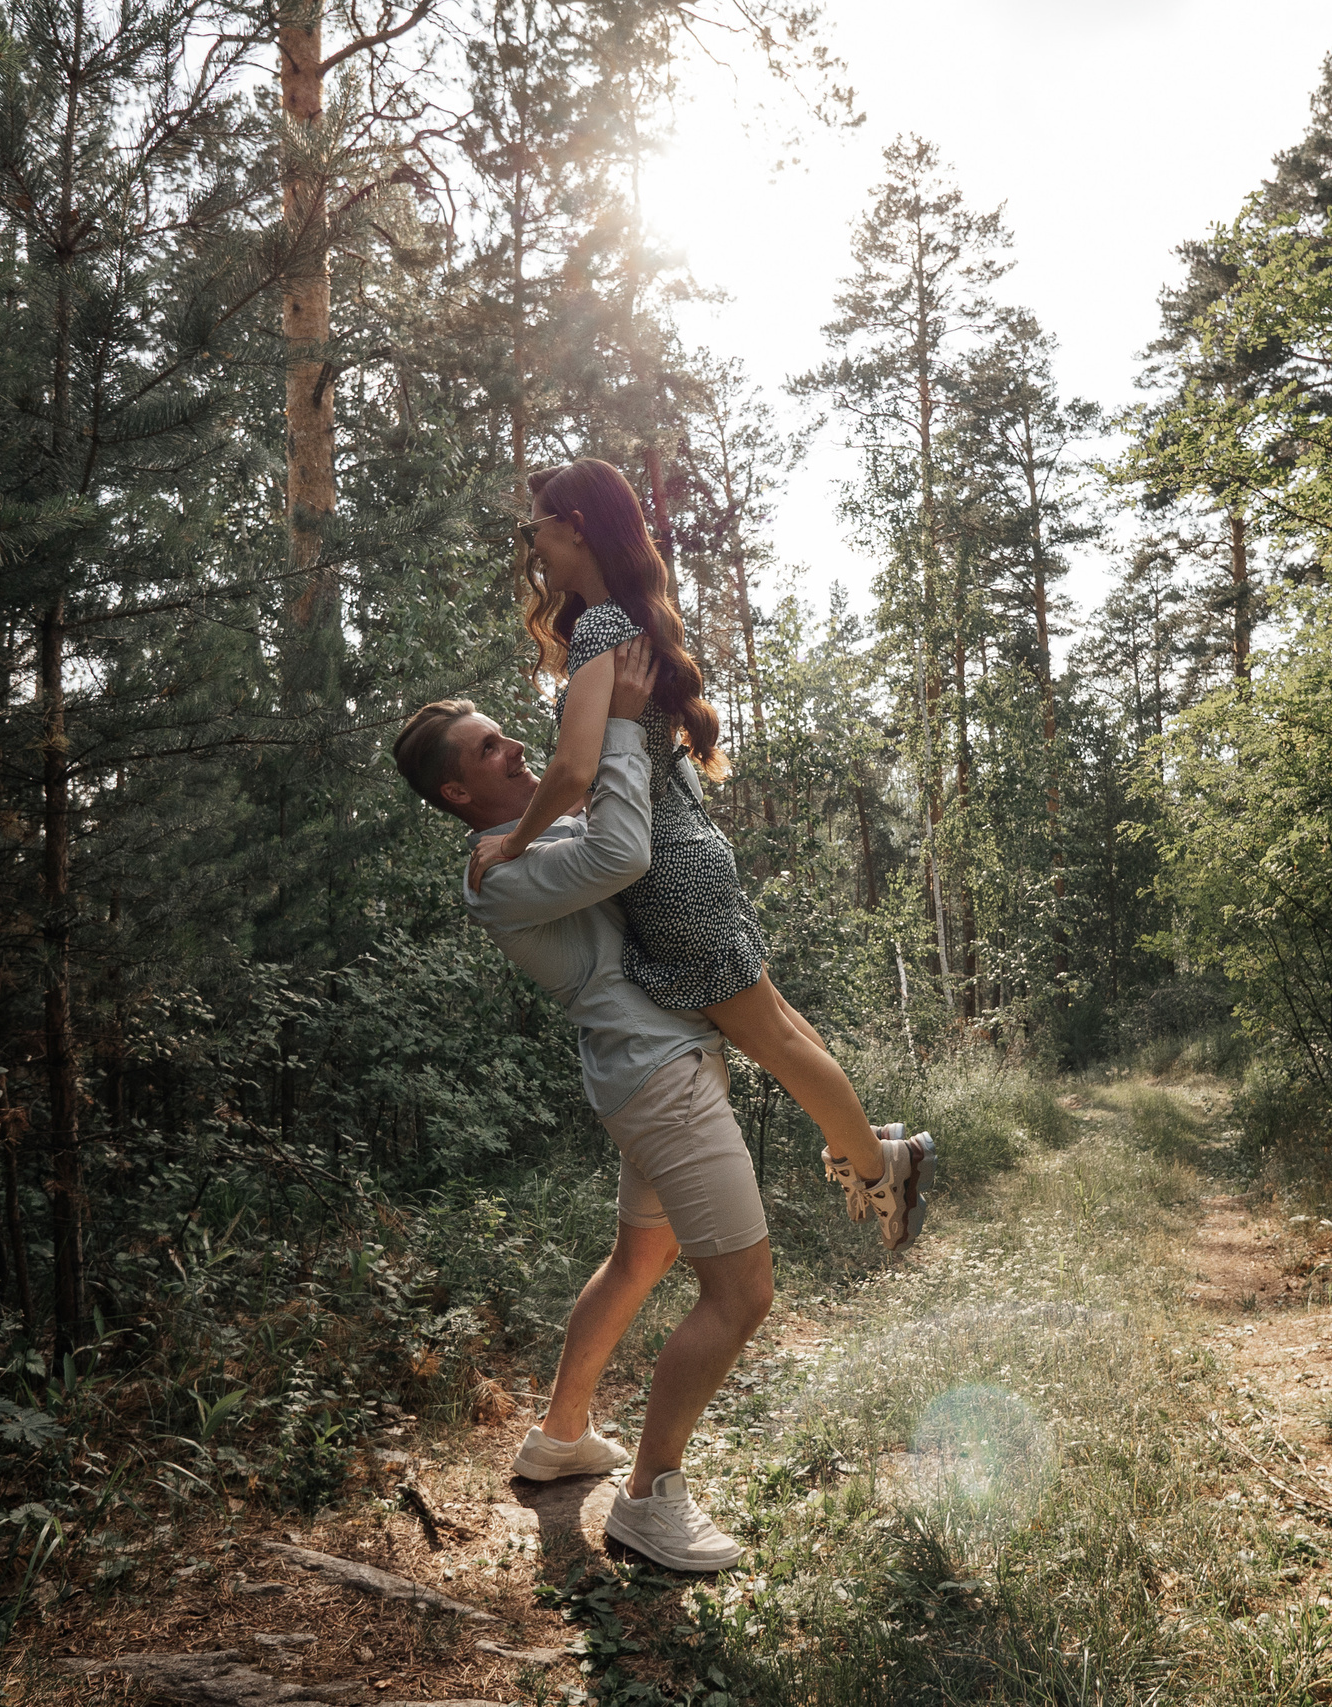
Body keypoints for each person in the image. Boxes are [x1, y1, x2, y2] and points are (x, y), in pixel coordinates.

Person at [467, 457, 934, 1250]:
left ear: (573, 526)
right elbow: (609, 770)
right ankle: (872, 1144)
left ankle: (885, 1168)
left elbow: (578, 770)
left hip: (671, 878)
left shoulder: (598, 635)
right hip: (694, 857)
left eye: (534, 525)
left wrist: (514, 840)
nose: (529, 544)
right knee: (778, 1021)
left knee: (774, 1040)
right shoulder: (631, 623)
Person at [391, 641, 757, 1571]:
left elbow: (614, 818)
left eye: (506, 735)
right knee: (742, 1293)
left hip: (654, 1065)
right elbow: (627, 848)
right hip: (661, 1075)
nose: (515, 748)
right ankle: (649, 1498)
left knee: (642, 1254)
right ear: (457, 796)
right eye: (487, 751)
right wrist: (624, 729)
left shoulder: (532, 837)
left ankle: (560, 1437)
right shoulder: (500, 871)